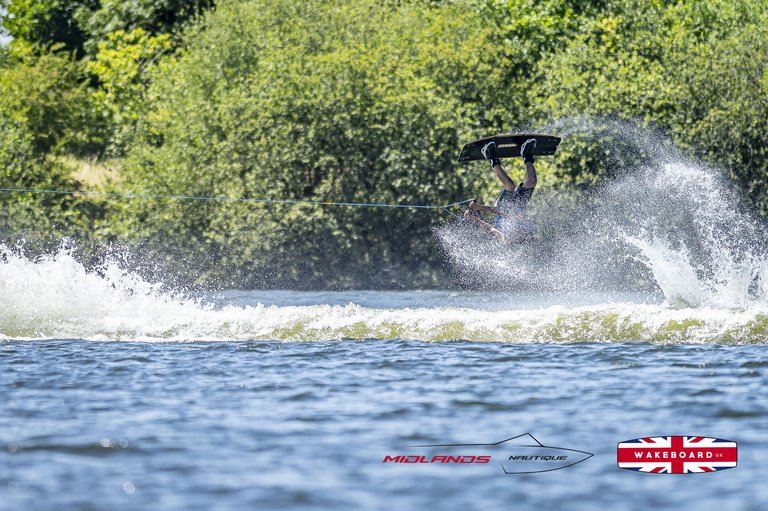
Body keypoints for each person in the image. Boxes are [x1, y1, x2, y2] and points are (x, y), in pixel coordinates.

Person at [463, 138, 538, 245]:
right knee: (532, 181)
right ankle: (526, 154)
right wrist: (479, 208)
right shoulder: (528, 230)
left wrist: (473, 218)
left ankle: (490, 156)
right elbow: (512, 214)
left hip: (502, 207)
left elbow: (490, 228)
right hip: (518, 206)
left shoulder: (507, 239)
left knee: (510, 185)